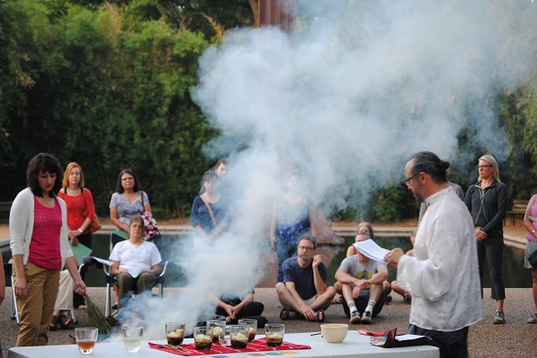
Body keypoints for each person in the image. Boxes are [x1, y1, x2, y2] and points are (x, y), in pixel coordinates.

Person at [385, 151, 482, 358]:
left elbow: (440, 274)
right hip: (443, 317)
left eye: (408, 180)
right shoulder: (441, 206)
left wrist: (402, 261)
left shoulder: (446, 212)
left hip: (440, 321)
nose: (408, 186)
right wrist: (412, 257)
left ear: (422, 177)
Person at [9, 153, 86, 346]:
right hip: (30, 269)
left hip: (53, 272)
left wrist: (77, 278)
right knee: (31, 326)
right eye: (44, 176)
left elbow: (64, 245)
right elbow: (16, 241)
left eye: (52, 176)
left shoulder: (59, 203)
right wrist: (20, 276)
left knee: (43, 329)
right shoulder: (25, 198)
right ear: (34, 176)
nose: (49, 180)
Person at [464, 154, 508, 324]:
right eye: (479, 166)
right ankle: (475, 310)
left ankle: (499, 311)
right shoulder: (472, 189)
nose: (480, 169)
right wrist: (474, 229)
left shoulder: (500, 188)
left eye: (484, 166)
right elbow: (465, 211)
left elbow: (501, 213)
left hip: (493, 237)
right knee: (475, 274)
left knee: (495, 273)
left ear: (493, 168)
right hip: (475, 237)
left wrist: (485, 230)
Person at [57, 162, 96, 309]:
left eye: (77, 173)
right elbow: (60, 214)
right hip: (65, 234)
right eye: (72, 173)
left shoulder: (85, 192)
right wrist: (69, 231)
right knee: (65, 267)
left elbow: (91, 214)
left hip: (84, 235)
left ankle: (79, 300)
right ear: (67, 175)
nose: (75, 176)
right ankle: (62, 301)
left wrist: (79, 231)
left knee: (81, 267)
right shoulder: (61, 193)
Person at [275, 234, 336, 322]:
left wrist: (315, 268)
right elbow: (290, 288)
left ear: (313, 251)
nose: (304, 250)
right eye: (302, 247)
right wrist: (303, 307)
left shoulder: (321, 266)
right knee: (279, 286)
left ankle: (297, 314)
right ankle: (308, 313)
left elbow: (321, 292)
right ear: (297, 249)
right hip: (293, 301)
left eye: (308, 248)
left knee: (331, 290)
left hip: (314, 302)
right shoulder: (288, 264)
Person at [335, 233, 388, 324]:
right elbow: (338, 274)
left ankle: (368, 311)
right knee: (345, 281)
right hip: (353, 300)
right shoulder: (350, 260)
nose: (361, 245)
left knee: (378, 280)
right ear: (355, 247)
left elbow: (384, 274)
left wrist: (366, 283)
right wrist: (355, 281)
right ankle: (353, 311)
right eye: (359, 242)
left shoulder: (376, 260)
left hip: (372, 304)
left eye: (364, 242)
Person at [110, 216, 162, 310]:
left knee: (145, 276)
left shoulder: (150, 247)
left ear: (143, 230)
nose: (137, 229)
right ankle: (123, 315)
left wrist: (150, 271)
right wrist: (120, 272)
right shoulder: (120, 246)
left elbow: (158, 269)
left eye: (140, 226)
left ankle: (144, 314)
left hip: (144, 276)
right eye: (134, 226)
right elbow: (113, 269)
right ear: (129, 228)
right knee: (124, 276)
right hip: (124, 276)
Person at [271, 174, 313, 283]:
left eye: (297, 182)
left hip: (301, 237)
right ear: (288, 183)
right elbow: (274, 217)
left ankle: (296, 289)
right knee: (282, 263)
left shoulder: (306, 199)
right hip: (282, 236)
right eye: (292, 181)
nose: (294, 184)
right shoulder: (280, 198)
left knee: (297, 262)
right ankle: (282, 290)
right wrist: (272, 235)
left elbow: (311, 218)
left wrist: (312, 235)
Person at [109, 169, 152, 247]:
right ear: (120, 182)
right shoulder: (115, 196)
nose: (127, 181)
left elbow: (148, 214)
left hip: (139, 233)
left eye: (130, 178)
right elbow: (113, 218)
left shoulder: (142, 195)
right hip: (121, 233)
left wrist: (137, 229)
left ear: (134, 180)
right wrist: (128, 229)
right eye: (124, 179)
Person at [191, 171, 227, 244]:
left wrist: (214, 235)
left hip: (219, 239)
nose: (210, 185)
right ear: (204, 184)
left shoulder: (223, 199)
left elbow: (226, 220)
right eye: (208, 182)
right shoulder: (198, 200)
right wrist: (205, 236)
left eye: (213, 182)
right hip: (202, 240)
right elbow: (195, 220)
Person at [523, 194, 537, 323]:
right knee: (536, 278)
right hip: (534, 242)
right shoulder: (534, 198)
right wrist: (535, 233)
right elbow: (526, 220)